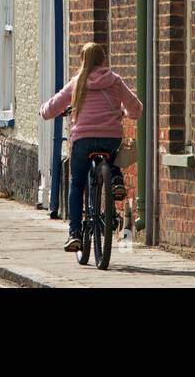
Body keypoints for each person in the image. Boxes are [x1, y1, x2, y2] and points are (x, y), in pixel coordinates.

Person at [38, 42, 142, 253]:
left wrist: (43, 111)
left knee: (76, 184)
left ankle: (75, 233)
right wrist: (125, 112)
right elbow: (136, 108)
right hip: (110, 138)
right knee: (111, 156)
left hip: (83, 140)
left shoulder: (77, 83)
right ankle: (115, 179)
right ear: (103, 60)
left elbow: (53, 107)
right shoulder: (115, 81)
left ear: (83, 60)